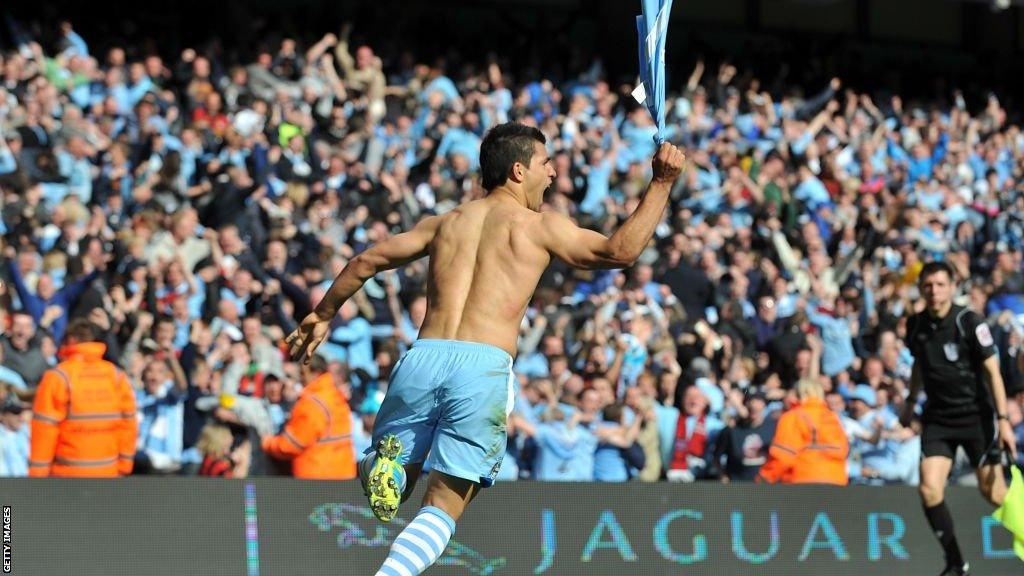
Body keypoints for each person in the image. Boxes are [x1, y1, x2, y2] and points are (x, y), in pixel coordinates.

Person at [286, 121, 686, 576]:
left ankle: (390, 471)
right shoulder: (538, 226)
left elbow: (365, 261)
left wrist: (323, 313)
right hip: (482, 367)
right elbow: (619, 252)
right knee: (445, 504)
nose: (553, 174)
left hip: (423, 357)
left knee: (395, 478)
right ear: (519, 171)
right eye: (546, 163)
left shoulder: (445, 223)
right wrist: (661, 182)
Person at [901, 261, 1018, 576]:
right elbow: (918, 365)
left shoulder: (969, 321)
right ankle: (955, 563)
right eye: (928, 285)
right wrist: (910, 402)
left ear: (952, 286)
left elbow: (992, 371)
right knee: (929, 489)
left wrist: (1004, 419)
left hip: (975, 417)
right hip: (938, 419)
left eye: (940, 285)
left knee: (993, 492)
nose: (934, 292)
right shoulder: (915, 326)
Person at [29, 319, 138, 477]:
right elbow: (129, 424)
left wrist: (38, 474)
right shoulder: (116, 375)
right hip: (108, 470)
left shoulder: (58, 376)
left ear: (71, 340)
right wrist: (124, 465)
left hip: (67, 473)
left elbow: (45, 428)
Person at [261, 354, 356, 479]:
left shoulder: (311, 403)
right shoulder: (334, 395)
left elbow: (291, 445)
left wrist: (267, 443)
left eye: (303, 373)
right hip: (343, 473)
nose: (300, 378)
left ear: (315, 373)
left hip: (317, 479)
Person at [756, 378, 849, 485]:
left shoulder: (793, 417)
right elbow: (843, 450)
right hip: (836, 481)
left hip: (803, 481)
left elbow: (783, 455)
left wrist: (763, 479)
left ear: (798, 394)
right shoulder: (832, 417)